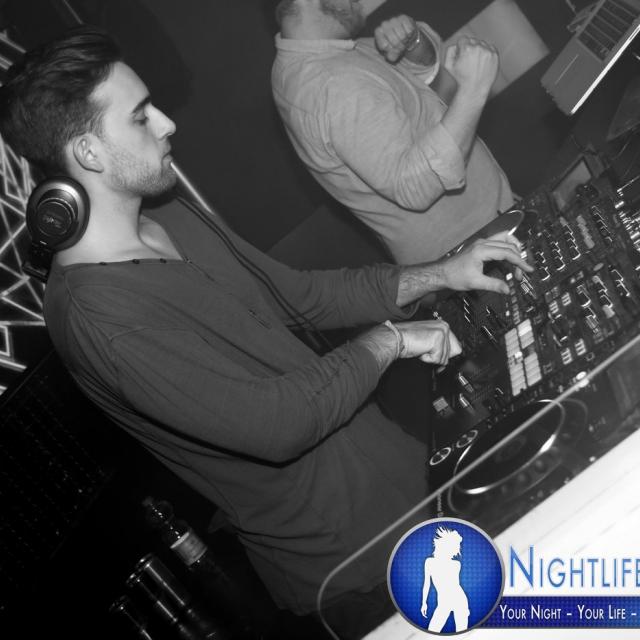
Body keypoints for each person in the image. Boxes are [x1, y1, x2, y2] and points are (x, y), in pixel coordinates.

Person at [0, 26, 531, 634]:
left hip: (413, 483)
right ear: (89, 153)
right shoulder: (99, 318)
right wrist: (392, 339)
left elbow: (303, 298)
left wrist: (441, 272)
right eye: (141, 117)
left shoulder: (169, 212)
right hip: (356, 564)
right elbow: (276, 425)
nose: (168, 123)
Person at [272, 1, 514, 264]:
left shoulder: (327, 55)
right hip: (474, 253)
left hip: (487, 232)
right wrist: (474, 90)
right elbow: (415, 185)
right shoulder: (330, 85)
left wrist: (414, 44)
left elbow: (408, 91)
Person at [421, 527, 469, 632]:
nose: (456, 551)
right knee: (432, 630)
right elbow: (426, 584)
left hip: (458, 599)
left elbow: (454, 586)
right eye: (455, 547)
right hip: (444, 602)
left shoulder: (456, 564)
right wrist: (424, 603)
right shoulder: (429, 562)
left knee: (461, 632)